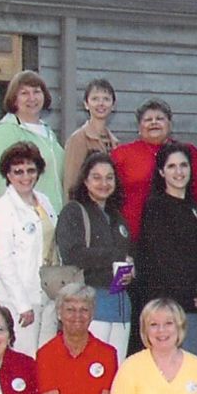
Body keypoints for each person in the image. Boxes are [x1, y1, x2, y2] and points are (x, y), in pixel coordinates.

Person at [133, 142, 197, 355]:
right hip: (169, 307)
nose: (179, 172)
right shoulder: (156, 207)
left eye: (183, 165)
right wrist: (190, 293)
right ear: (161, 171)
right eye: (171, 166)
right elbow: (163, 258)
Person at [56, 151, 135, 359]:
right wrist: (115, 257)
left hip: (119, 304)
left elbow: (129, 253)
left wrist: (132, 269)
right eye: (96, 177)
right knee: (90, 367)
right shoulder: (74, 211)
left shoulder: (117, 216)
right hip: (90, 302)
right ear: (85, 180)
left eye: (109, 177)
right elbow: (73, 254)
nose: (104, 183)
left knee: (115, 369)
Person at [0, 140, 58, 356]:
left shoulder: (44, 202)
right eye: (18, 171)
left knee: (45, 359)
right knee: (23, 359)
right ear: (8, 175)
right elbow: (3, 262)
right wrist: (22, 305)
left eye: (31, 170)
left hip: (47, 294)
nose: (25, 176)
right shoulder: (2, 209)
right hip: (18, 300)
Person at [113, 100, 197, 240]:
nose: (154, 123)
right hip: (133, 234)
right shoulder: (122, 154)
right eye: (148, 120)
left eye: (160, 118)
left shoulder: (188, 152)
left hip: (179, 232)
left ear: (170, 125)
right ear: (139, 127)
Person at [0, 70, 66, 214]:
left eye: (36, 92)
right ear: (14, 99)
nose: (32, 98)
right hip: (27, 219)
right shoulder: (6, 131)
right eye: (24, 93)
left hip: (53, 216)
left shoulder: (48, 132)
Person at [60, 76, 120, 196]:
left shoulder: (115, 142)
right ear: (86, 104)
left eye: (106, 99)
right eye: (95, 99)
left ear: (113, 105)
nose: (101, 103)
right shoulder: (78, 139)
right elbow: (70, 181)